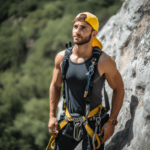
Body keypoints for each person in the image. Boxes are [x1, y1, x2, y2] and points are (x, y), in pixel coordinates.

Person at [48, 12, 124, 150]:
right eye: (75, 26)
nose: (77, 31)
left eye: (83, 28)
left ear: (94, 34)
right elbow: (55, 85)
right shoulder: (62, 58)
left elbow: (118, 88)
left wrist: (112, 121)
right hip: (68, 121)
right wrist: (52, 116)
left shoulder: (104, 62)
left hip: (94, 124)